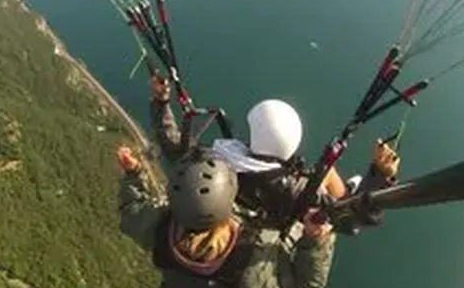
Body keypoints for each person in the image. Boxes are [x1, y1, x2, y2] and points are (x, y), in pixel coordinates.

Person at [115, 142, 343, 288]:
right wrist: (316, 239)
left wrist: (135, 175)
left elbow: (132, 211)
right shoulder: (251, 258)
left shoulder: (161, 227)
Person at [148, 74, 399, 224]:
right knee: (329, 174)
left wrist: (161, 102)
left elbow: (173, 146)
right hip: (274, 212)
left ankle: (347, 184)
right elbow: (351, 216)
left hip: (246, 206)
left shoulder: (213, 164)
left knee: (329, 174)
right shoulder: (296, 190)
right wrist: (380, 175)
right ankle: (351, 184)